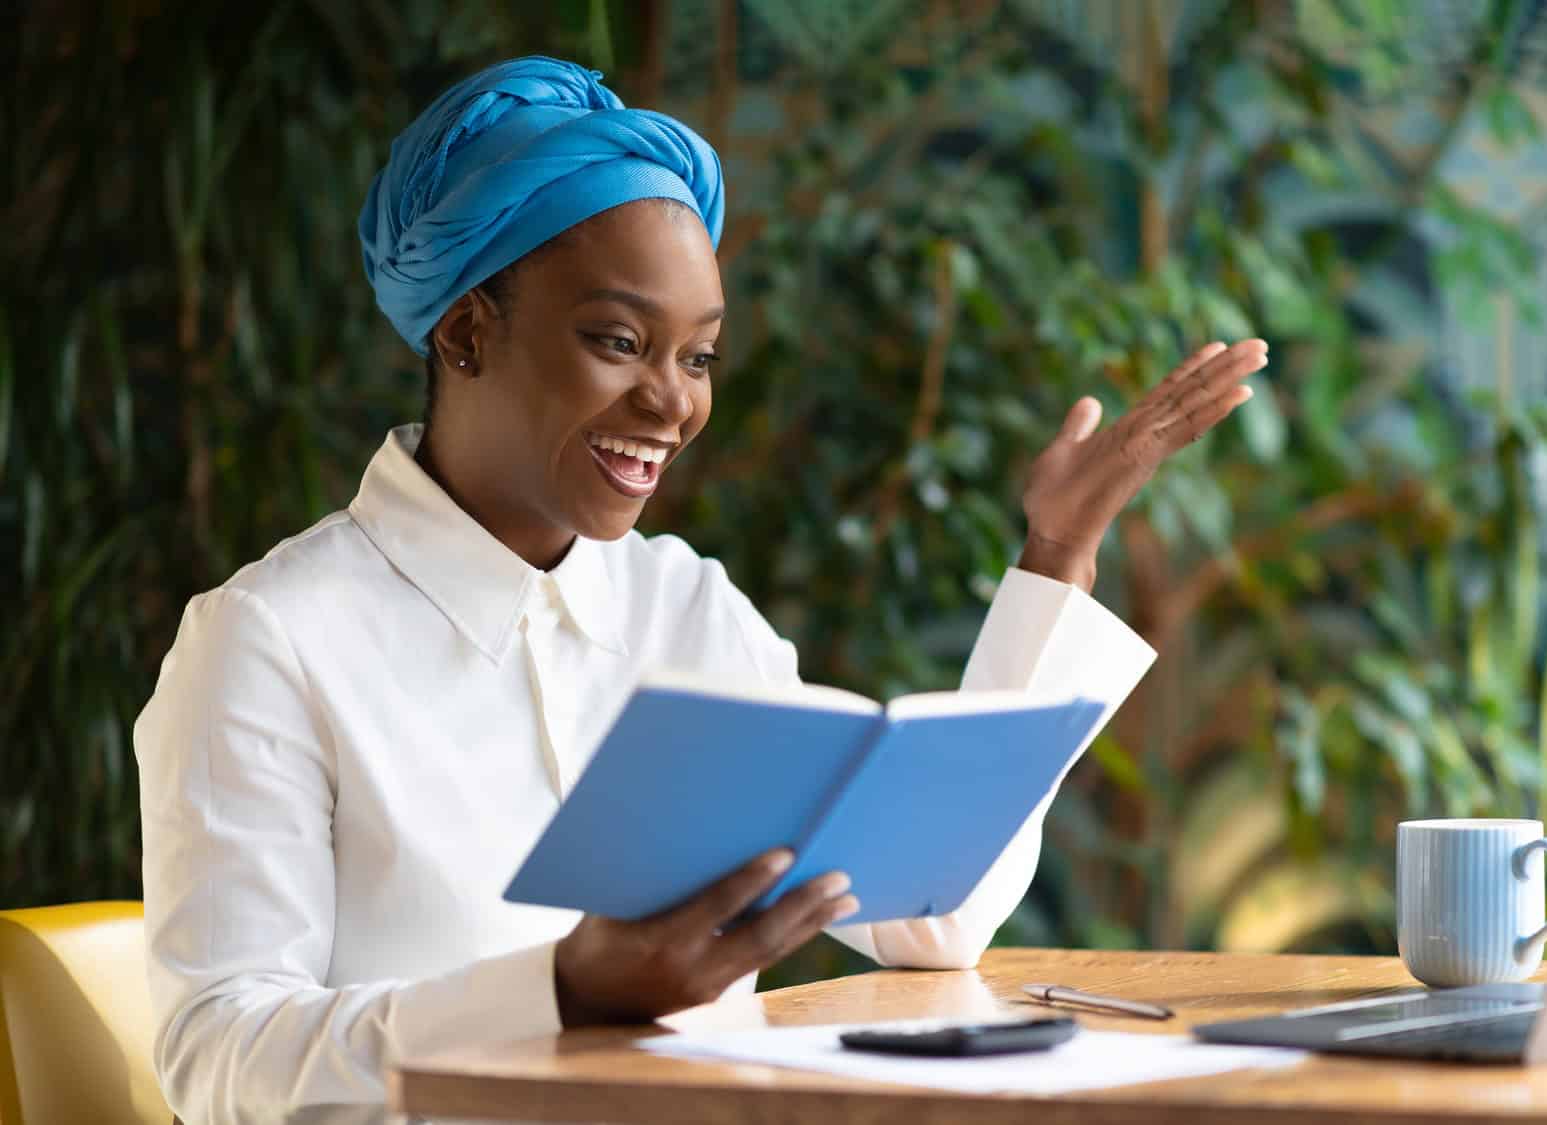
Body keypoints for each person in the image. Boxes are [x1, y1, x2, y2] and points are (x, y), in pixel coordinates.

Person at [134, 56, 1267, 1124]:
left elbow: (931, 916)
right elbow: (217, 1056)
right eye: (619, 340)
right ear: (468, 331)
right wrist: (560, 992)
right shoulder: (272, 640)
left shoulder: (684, 611)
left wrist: (1057, 555)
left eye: (698, 356)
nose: (672, 403)